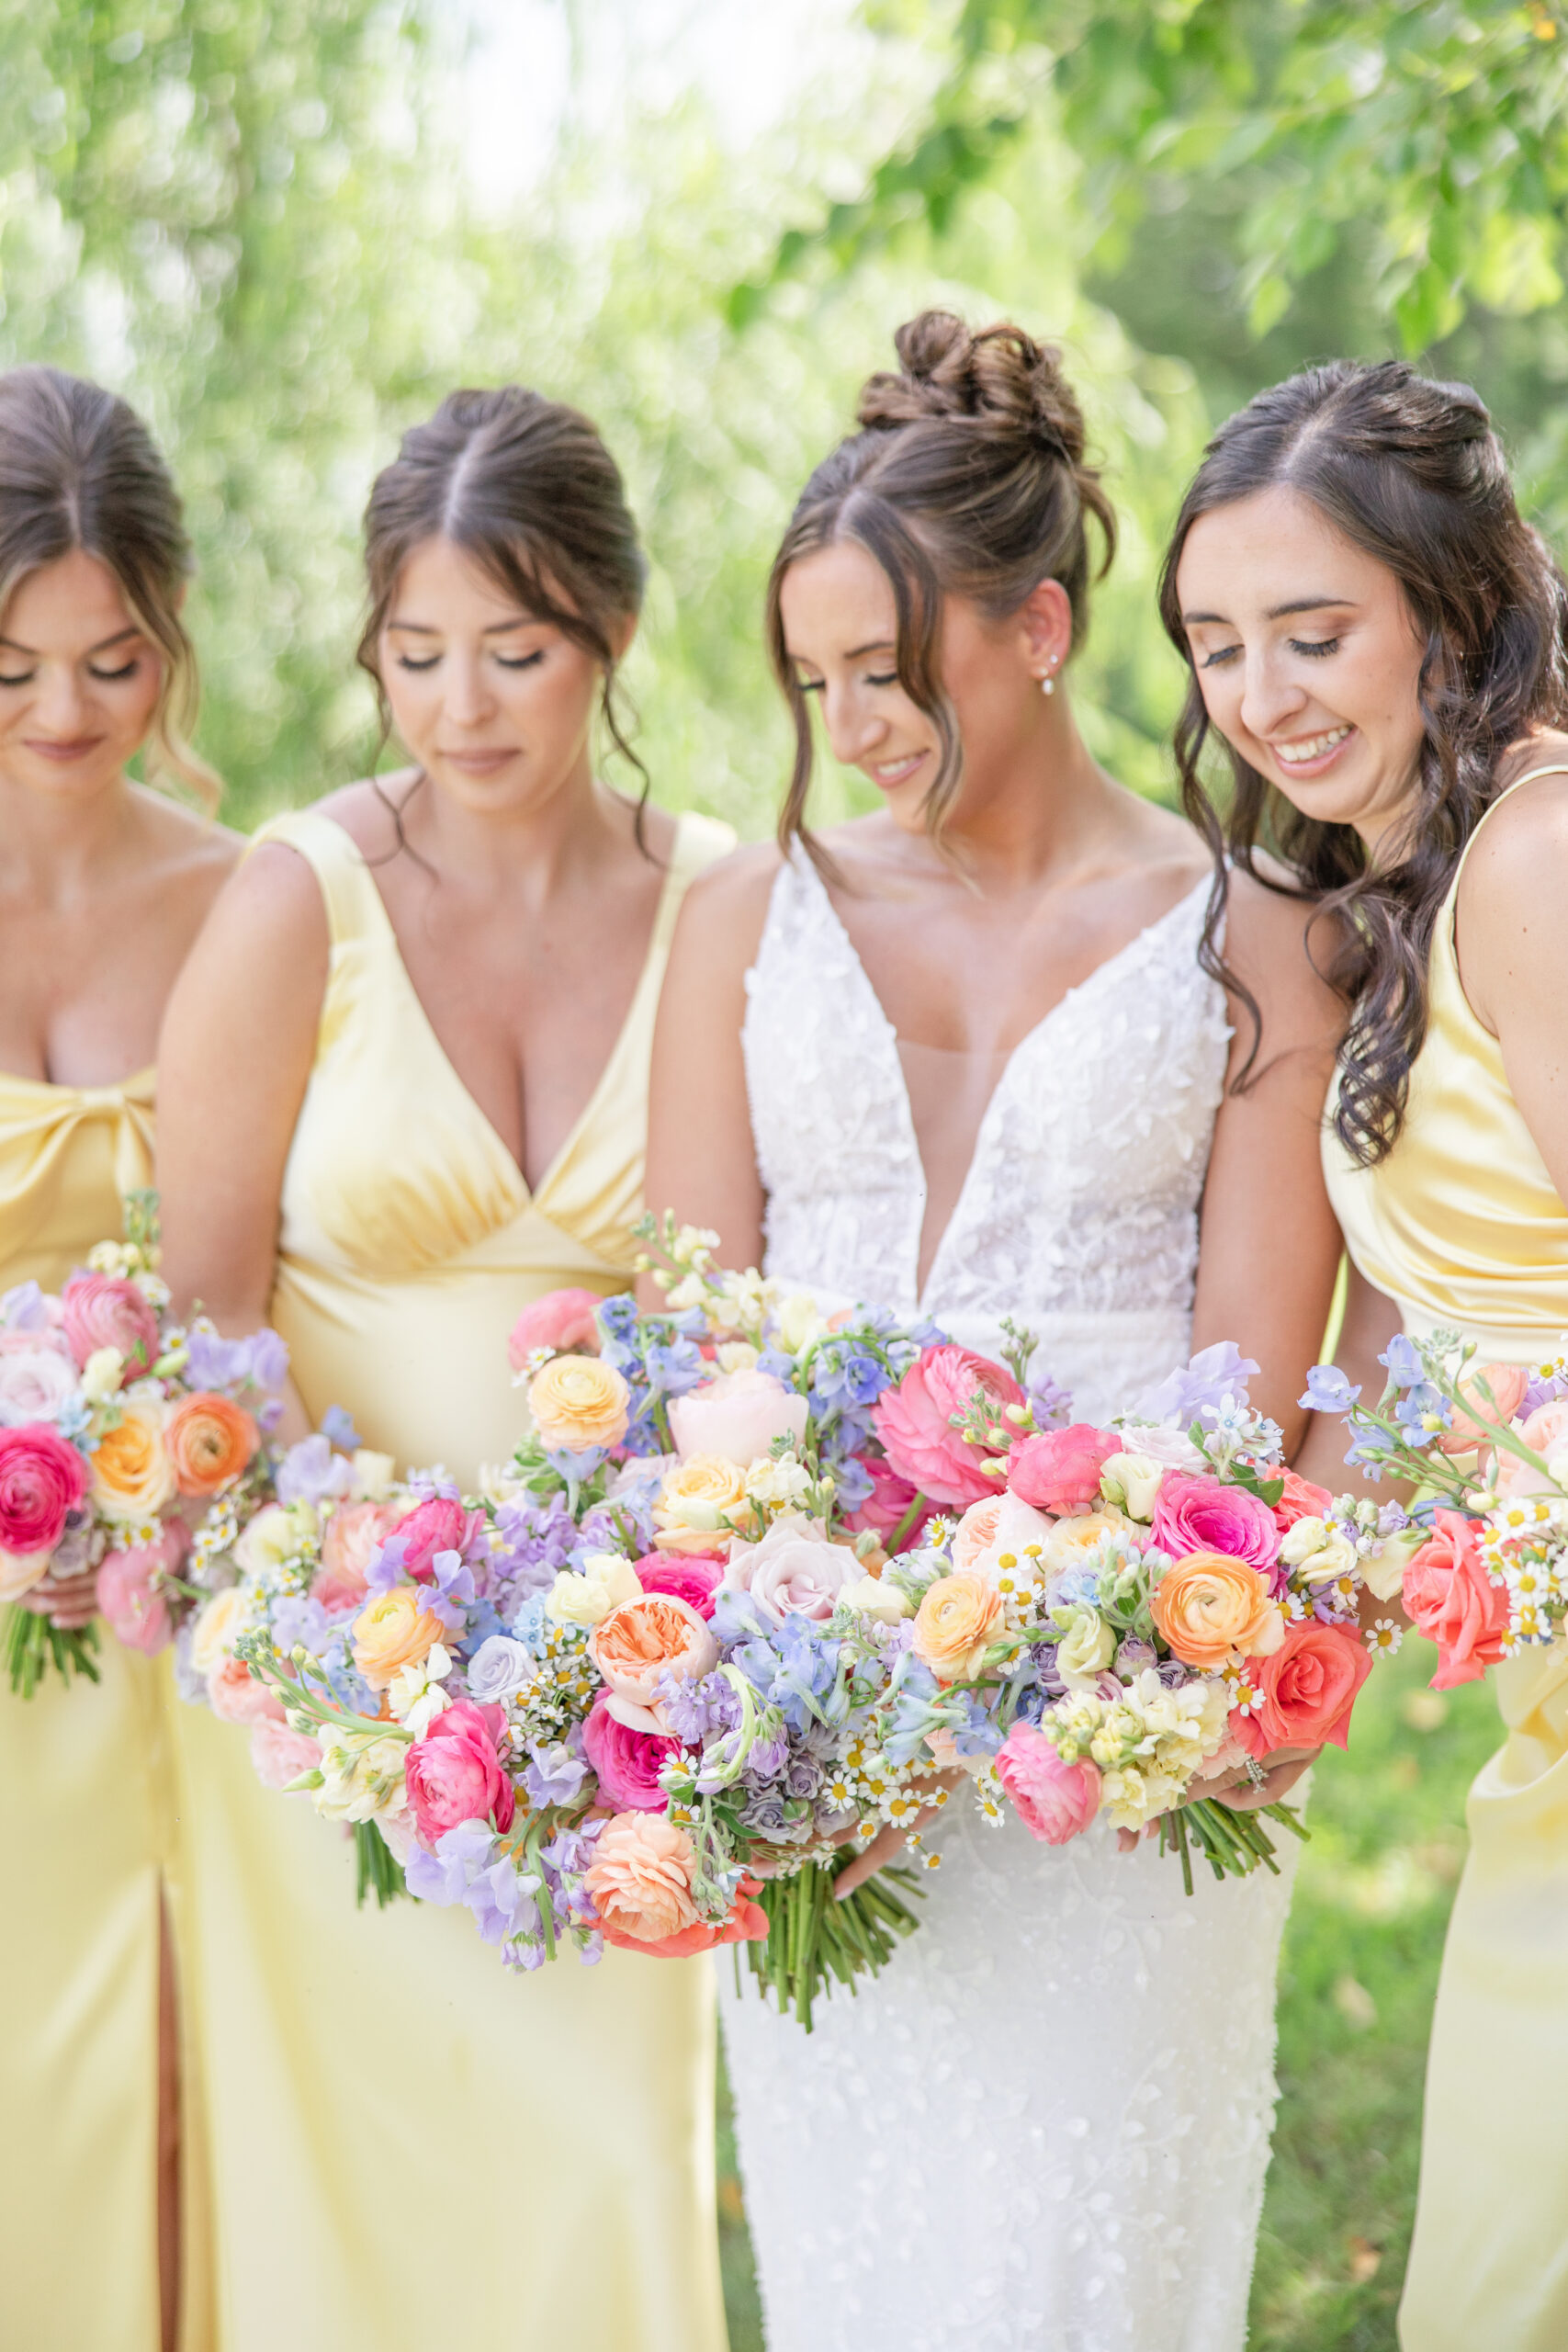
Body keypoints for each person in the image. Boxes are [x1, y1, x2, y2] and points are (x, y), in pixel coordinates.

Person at [646, 311, 1344, 2352]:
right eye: (815, 678)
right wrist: (764, 1666)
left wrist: (1111, 1664)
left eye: (892, 666)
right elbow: (695, 1329)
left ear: (1037, 626)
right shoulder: (738, 916)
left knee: (1080, 2271)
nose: (849, 719)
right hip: (800, 1719)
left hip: (1119, 1721)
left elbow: (1246, 1387)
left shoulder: (1254, 926)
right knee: (861, 2269)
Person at [155, 386, 733, 2352]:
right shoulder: (289, 898)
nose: (460, 706)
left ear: (613, 635)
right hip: (338, 1667)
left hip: (625, 1678)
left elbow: (743, 1296)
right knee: (364, 2182)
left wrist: (632, 1610)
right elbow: (207, 1308)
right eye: (414, 655)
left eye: (516, 651)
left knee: (601, 2163)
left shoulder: (718, 899)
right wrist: (363, 1596)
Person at [1164, 356, 1568, 2352]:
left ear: (1452, 604)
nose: (1261, 693)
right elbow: (1402, 1337)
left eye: (1311, 630)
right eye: (1216, 643)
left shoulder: (1536, 859)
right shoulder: (1409, 881)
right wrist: (1245, 1625)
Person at [0, 364, 239, 2352]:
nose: (67, 718)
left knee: (189, 2083)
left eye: (111, 660)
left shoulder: (251, 903)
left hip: (185, 1605)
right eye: (9, 669)